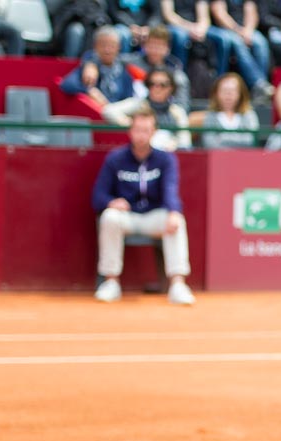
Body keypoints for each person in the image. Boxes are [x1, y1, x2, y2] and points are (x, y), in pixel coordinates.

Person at [91, 109, 195, 306]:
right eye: (137, 130)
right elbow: (98, 195)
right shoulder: (115, 159)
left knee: (176, 221)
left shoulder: (165, 159)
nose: (141, 135)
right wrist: (111, 202)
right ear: (130, 131)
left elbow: (170, 190)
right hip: (126, 217)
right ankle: (110, 282)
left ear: (153, 132)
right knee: (109, 217)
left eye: (146, 130)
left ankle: (178, 284)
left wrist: (174, 212)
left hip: (154, 217)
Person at [102, 67, 192, 150]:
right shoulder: (138, 104)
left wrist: (174, 144)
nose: (157, 88)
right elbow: (108, 110)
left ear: (171, 88)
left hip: (168, 154)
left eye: (163, 85)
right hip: (139, 151)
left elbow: (185, 143)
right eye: (152, 84)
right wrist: (134, 125)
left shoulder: (177, 112)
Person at [208, 0, 274, 102]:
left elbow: (251, 12)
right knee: (237, 42)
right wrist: (237, 30)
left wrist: (248, 30)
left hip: (245, 30)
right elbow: (219, 13)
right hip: (225, 29)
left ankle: (259, 88)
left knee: (260, 42)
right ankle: (259, 83)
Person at [60, 26, 137, 107]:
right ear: (95, 46)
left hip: (116, 110)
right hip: (94, 112)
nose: (107, 50)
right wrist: (90, 90)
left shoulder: (123, 71)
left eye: (112, 46)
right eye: (103, 45)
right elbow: (67, 85)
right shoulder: (89, 66)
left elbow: (129, 98)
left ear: (118, 47)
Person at [190, 71, 260, 147]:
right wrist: (238, 140)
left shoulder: (249, 115)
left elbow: (250, 141)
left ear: (240, 93)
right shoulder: (210, 116)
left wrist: (222, 139)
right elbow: (210, 143)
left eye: (232, 91)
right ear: (216, 93)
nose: (228, 95)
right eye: (224, 90)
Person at [160, 0, 212, 67]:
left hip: (196, 27)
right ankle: (180, 70)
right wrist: (189, 28)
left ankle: (220, 73)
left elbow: (204, 17)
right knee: (181, 36)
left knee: (223, 37)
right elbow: (169, 15)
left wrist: (201, 29)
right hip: (175, 26)